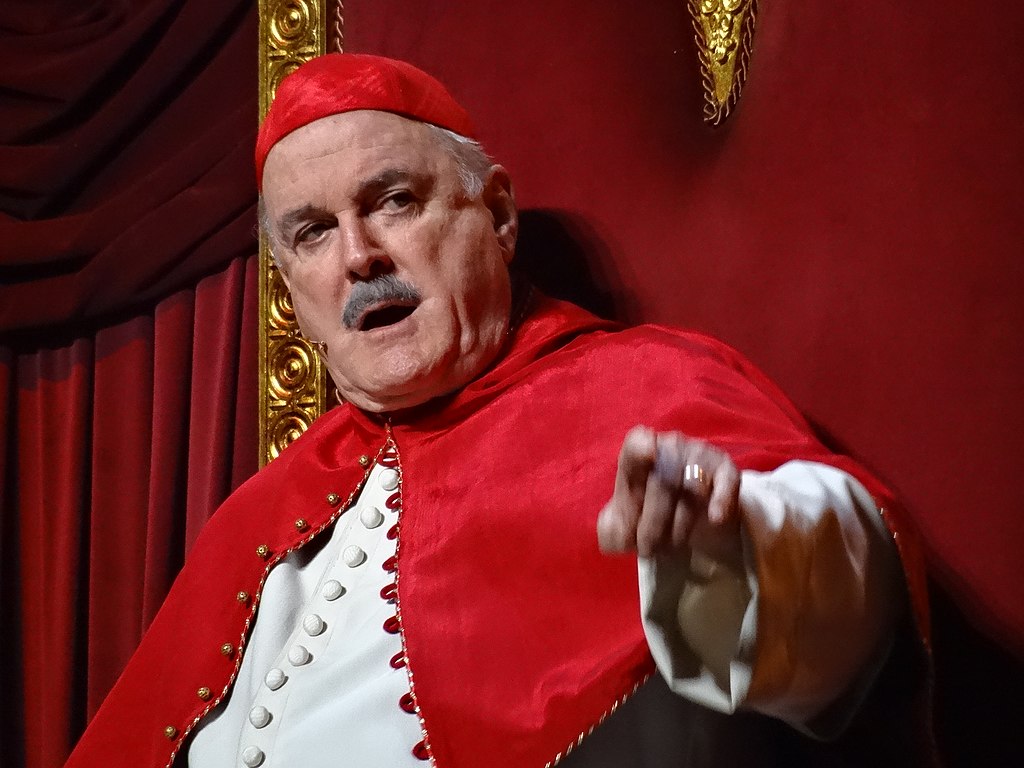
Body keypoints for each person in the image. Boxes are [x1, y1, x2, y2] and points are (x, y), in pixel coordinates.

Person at [65, 54, 929, 768]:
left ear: (500, 216)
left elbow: (844, 608)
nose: (360, 257)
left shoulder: (645, 391)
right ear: (290, 289)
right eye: (312, 232)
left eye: (393, 200)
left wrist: (730, 550)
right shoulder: (258, 515)